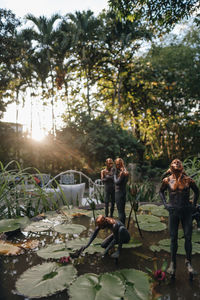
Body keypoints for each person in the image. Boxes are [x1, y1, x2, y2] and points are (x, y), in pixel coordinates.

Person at [159, 159, 199, 278]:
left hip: (186, 211)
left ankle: (188, 262)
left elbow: (197, 192)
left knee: (188, 237)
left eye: (178, 165)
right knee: (173, 238)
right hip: (173, 211)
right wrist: (165, 205)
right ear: (171, 169)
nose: (177, 164)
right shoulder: (166, 180)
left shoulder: (188, 180)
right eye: (174, 165)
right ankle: (173, 263)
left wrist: (193, 206)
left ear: (181, 168)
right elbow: (161, 192)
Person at [114, 158, 129, 225]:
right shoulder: (126, 171)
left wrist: (114, 175)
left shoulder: (122, 172)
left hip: (119, 192)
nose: (116, 166)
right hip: (123, 191)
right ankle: (123, 225)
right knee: (122, 211)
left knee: (120, 211)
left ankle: (121, 226)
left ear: (119, 164)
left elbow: (117, 182)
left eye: (117, 164)